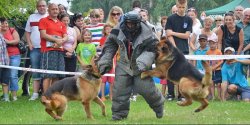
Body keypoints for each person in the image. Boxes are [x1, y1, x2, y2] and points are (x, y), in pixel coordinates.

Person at [98, 11, 164, 120]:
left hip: (141, 66)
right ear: (125, 22)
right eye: (128, 23)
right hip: (124, 64)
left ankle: (159, 106)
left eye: (133, 23)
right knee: (119, 90)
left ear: (138, 23)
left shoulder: (148, 32)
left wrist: (143, 61)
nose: (131, 25)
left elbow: (153, 49)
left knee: (147, 90)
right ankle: (119, 115)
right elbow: (109, 45)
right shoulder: (117, 30)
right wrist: (105, 61)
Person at [165, 0, 192, 101]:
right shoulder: (171, 18)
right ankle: (170, 94)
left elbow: (187, 35)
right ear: (176, 6)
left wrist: (174, 33)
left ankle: (181, 95)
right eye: (179, 7)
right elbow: (168, 34)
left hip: (184, 50)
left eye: (183, 7)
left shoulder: (189, 19)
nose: (181, 9)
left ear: (186, 7)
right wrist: (175, 48)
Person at [39, 3, 68, 93]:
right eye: (53, 9)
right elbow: (43, 35)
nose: (55, 11)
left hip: (59, 51)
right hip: (48, 51)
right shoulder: (43, 20)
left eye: (56, 9)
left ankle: (54, 95)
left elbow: (66, 36)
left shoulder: (61, 23)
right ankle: (46, 96)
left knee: (57, 75)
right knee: (48, 75)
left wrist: (61, 42)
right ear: (48, 10)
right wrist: (57, 41)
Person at [25, 0, 47, 100]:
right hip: (34, 48)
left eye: (43, 6)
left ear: (46, 7)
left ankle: (46, 93)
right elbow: (27, 32)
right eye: (40, 6)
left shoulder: (49, 16)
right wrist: (29, 44)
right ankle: (35, 93)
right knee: (35, 70)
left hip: (47, 48)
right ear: (37, 7)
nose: (42, 7)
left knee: (47, 71)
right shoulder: (32, 17)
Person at [0, 17, 21, 101]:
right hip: (3, 58)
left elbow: (17, 40)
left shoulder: (12, 30)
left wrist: (7, 41)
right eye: (3, 23)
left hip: (14, 55)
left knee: (13, 75)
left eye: (6, 23)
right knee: (5, 77)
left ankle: (14, 96)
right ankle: (6, 96)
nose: (5, 25)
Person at [206, 34, 223, 100]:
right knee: (212, 83)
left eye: (213, 43)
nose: (212, 45)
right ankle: (213, 96)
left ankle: (219, 96)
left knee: (218, 84)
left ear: (216, 44)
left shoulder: (219, 51)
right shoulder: (208, 52)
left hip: (218, 69)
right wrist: (209, 67)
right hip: (211, 70)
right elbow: (207, 61)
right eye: (210, 44)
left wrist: (215, 66)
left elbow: (221, 61)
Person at [99, 24, 114, 101]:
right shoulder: (102, 39)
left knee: (112, 79)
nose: (108, 30)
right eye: (106, 29)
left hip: (112, 60)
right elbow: (102, 48)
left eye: (110, 29)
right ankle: (102, 96)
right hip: (104, 60)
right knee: (103, 79)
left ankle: (111, 96)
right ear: (104, 31)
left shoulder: (114, 39)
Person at [0, 22, 10, 102]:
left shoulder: (1, 36)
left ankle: (6, 98)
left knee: (5, 81)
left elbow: (4, 49)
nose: (1, 27)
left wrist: (8, 60)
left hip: (5, 63)